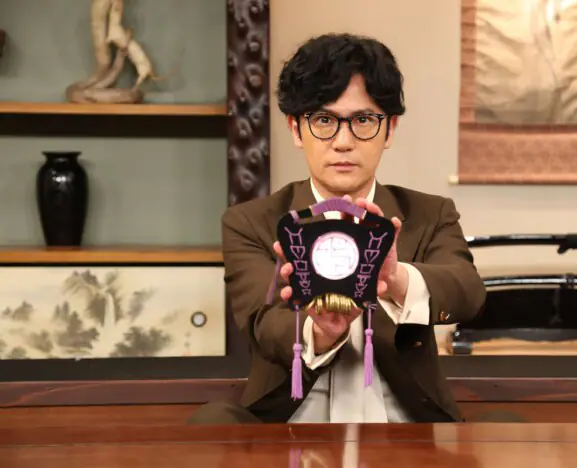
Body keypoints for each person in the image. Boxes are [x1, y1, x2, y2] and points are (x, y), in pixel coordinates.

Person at [188, 33, 486, 425]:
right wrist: (320, 330)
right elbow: (264, 324)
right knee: (213, 425)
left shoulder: (429, 213)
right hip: (290, 425)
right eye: (324, 120)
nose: (343, 142)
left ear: (389, 129)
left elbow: (467, 292)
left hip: (407, 428)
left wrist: (394, 279)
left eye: (363, 120)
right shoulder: (251, 222)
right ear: (296, 129)